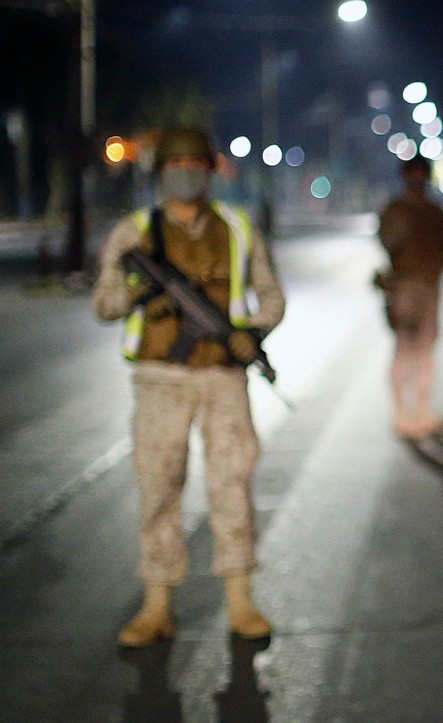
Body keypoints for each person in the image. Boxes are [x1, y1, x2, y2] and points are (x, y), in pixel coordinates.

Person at [93, 127, 284, 646]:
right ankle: (157, 605)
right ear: (161, 173)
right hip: (160, 379)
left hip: (223, 377)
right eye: (176, 164)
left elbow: (270, 295)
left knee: (232, 484)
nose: (186, 172)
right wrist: (138, 287)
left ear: (210, 169)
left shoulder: (239, 227)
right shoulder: (135, 233)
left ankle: (240, 600)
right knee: (158, 487)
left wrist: (252, 334)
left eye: (195, 163)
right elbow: (104, 305)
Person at [377, 156, 443, 439]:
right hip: (404, 286)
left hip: (430, 285)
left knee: (425, 351)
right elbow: (389, 240)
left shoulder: (433, 210)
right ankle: (401, 411)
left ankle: (423, 409)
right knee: (404, 348)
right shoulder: (397, 209)